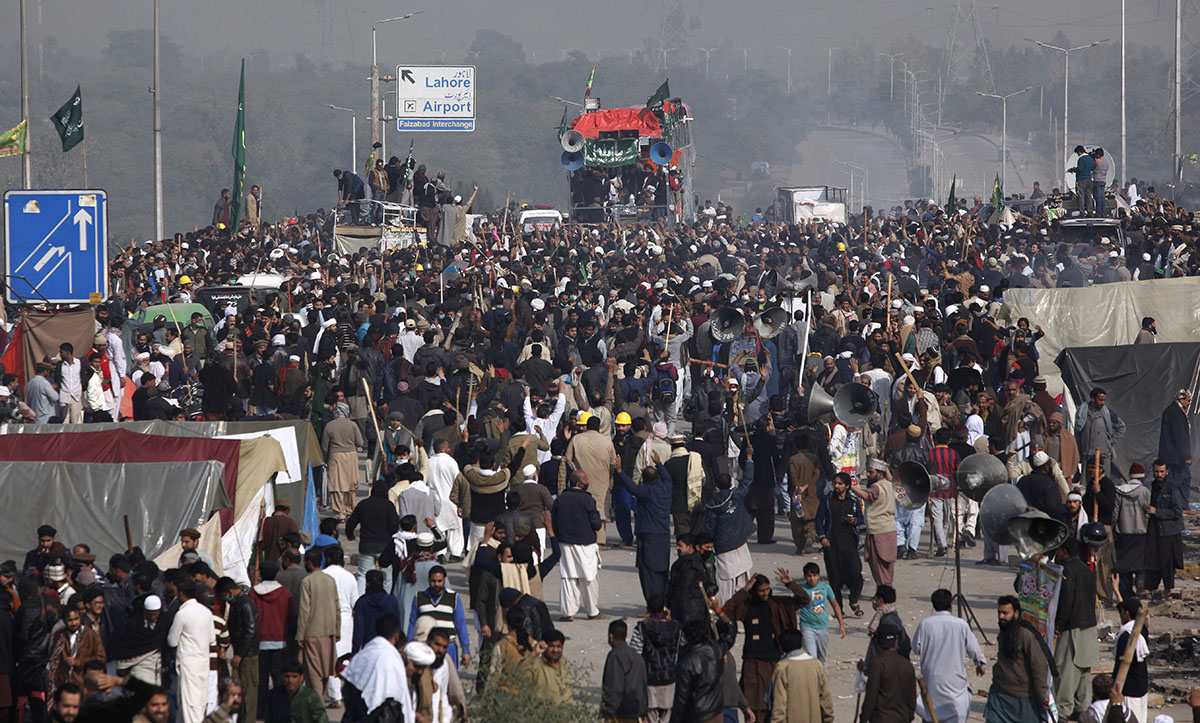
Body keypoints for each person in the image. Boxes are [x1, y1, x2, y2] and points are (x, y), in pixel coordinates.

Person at [723, 569, 811, 723]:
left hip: (774, 660)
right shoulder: (747, 607)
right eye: (761, 591)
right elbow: (727, 610)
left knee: (776, 705)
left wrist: (791, 584)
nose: (765, 593)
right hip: (753, 663)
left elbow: (804, 599)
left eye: (767, 589)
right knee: (754, 707)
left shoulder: (777, 604)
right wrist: (744, 590)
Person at [912, 588, 987, 722]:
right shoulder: (961, 624)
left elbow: (916, 648)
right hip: (955, 684)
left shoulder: (925, 624)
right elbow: (973, 647)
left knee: (931, 713)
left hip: (932, 682)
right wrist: (980, 663)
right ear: (950, 606)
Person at [1054, 538, 1101, 721]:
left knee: (1067, 670)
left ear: (1064, 551)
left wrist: (1059, 625)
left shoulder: (1067, 569)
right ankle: (1080, 708)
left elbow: (1066, 601)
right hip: (1088, 625)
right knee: (1082, 671)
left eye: (1058, 550)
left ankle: (1063, 710)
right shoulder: (1086, 569)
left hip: (1072, 627)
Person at [984, 595, 1051, 722]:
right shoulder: (1004, 632)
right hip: (1000, 694)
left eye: (1005, 613)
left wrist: (1042, 694)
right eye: (999, 612)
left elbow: (1038, 665)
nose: (1001, 616)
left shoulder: (1026, 635)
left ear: (1016, 613)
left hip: (1023, 699)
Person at [616, 458, 674, 604]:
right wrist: (659, 463)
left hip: (648, 534)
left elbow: (631, 487)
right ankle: (663, 603)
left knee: (648, 571)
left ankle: (652, 604)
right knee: (662, 570)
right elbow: (667, 477)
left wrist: (620, 471)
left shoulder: (646, 491)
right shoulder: (666, 487)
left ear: (644, 479)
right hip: (663, 534)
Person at [704, 448, 757, 605]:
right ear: (730, 484)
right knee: (743, 582)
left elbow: (710, 527)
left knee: (726, 585)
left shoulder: (713, 504)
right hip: (740, 544)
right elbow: (747, 479)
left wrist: (708, 543)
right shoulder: (737, 495)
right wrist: (749, 457)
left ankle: (727, 611)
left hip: (724, 547)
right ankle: (737, 611)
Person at [551, 470, 603, 621]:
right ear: (580, 483)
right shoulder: (588, 500)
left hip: (565, 543)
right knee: (589, 578)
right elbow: (596, 524)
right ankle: (592, 611)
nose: (588, 482)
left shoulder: (560, 499)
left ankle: (568, 612)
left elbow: (554, 522)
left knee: (568, 577)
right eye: (586, 479)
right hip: (586, 544)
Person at [341, 613, 413, 722]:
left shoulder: (362, 655)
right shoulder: (393, 659)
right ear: (397, 636)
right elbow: (399, 697)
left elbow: (349, 687)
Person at [816, 471, 865, 616]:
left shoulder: (854, 501)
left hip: (849, 543)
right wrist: (822, 537)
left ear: (847, 486)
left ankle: (854, 600)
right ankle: (839, 610)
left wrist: (854, 521)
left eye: (840, 483)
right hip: (831, 544)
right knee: (835, 578)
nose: (836, 486)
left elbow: (861, 519)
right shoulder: (827, 500)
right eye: (835, 483)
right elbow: (819, 519)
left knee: (856, 572)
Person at [166, 580, 215, 723]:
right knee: (199, 701)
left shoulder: (182, 614)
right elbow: (212, 639)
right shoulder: (206, 612)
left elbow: (172, 641)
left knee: (189, 703)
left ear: (182, 594)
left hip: (188, 664)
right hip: (203, 662)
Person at [671, 616, 737, 723]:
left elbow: (680, 699)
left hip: (696, 715)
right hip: (716, 712)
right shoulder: (716, 650)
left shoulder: (686, 662)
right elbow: (731, 632)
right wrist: (719, 612)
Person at [296, 549, 340, 704]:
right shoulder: (330, 580)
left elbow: (304, 610)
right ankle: (319, 701)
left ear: (309, 563)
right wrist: (337, 630)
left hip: (312, 632)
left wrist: (300, 634)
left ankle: (317, 705)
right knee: (325, 670)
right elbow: (337, 606)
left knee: (314, 672)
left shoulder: (307, 582)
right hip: (329, 631)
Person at [630, 594, 682, 723]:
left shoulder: (642, 627)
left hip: (649, 681)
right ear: (664, 608)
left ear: (648, 609)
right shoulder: (676, 627)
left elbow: (635, 654)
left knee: (649, 716)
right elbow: (682, 650)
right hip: (670, 680)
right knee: (667, 716)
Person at [215, 577, 260, 722]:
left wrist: (239, 655)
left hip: (247, 655)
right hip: (240, 654)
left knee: (248, 694)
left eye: (224, 595)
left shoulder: (245, 603)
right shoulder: (236, 603)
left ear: (229, 592)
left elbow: (250, 631)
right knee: (237, 691)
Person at [407, 566, 471, 668]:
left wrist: (465, 650)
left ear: (444, 580)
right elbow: (413, 624)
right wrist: (410, 647)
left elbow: (461, 624)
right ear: (428, 580)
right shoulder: (419, 597)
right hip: (426, 648)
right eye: (433, 581)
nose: (436, 584)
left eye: (439, 581)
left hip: (448, 648)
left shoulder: (453, 597)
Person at [345, 479, 400, 595]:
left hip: (366, 546)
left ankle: (361, 598)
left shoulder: (363, 504)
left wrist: (350, 535)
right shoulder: (388, 506)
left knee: (363, 575)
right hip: (385, 547)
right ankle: (385, 600)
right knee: (386, 576)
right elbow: (394, 526)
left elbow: (350, 523)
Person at [768, 628, 834, 723]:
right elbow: (826, 699)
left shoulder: (782, 668)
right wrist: (828, 719)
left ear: (782, 647)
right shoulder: (817, 665)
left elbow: (779, 705)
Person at [320, 547, 357, 708]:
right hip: (346, 620)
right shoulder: (350, 577)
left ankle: (335, 695)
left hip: (326, 618)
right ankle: (345, 691)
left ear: (328, 558)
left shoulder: (323, 575)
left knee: (330, 657)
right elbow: (354, 602)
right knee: (343, 657)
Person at [851, 459, 898, 586]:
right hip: (890, 529)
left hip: (878, 531)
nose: (868, 475)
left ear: (879, 473)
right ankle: (886, 589)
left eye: (871, 472)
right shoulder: (890, 484)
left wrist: (850, 486)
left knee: (879, 565)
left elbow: (866, 495)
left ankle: (884, 590)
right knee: (887, 565)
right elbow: (889, 477)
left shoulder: (877, 487)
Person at [859, 625, 916, 723]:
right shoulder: (907, 665)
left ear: (877, 642)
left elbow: (871, 697)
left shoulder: (878, 664)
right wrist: (909, 716)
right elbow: (912, 698)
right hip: (902, 718)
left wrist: (863, 719)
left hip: (881, 718)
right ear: (896, 641)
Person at [1144, 459, 1184, 598]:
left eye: (1161, 472)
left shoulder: (1172, 489)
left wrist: (1157, 511)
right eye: (1156, 471)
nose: (1159, 474)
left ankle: (1167, 589)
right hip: (1155, 528)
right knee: (1152, 558)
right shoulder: (1152, 486)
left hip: (1169, 531)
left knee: (1167, 562)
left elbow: (1177, 512)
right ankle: (1150, 587)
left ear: (1167, 472)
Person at [322, 402, 366, 519]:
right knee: (351, 485)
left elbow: (325, 446)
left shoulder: (329, 426)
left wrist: (326, 460)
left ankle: (340, 513)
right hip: (351, 456)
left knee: (335, 485)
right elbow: (360, 443)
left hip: (335, 456)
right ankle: (350, 509)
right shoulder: (353, 425)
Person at [797, 562, 845, 664]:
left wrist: (841, 624)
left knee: (822, 658)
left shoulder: (825, 588)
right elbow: (792, 606)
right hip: (807, 627)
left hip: (823, 627)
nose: (812, 579)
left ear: (819, 575)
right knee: (811, 658)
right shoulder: (801, 589)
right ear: (805, 577)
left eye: (815, 575)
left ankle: (820, 674)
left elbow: (835, 605)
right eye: (809, 576)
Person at [601, 619, 648, 723]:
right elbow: (643, 686)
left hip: (621, 714)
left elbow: (614, 687)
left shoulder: (614, 656)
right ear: (626, 635)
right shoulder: (637, 656)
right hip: (637, 713)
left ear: (611, 636)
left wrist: (608, 713)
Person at [1074, 387, 1126, 478]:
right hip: (1087, 453)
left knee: (1103, 479)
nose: (1102, 403)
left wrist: (1110, 441)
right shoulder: (1082, 413)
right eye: (1100, 400)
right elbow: (1078, 431)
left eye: (1104, 400)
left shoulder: (1107, 413)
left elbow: (1121, 426)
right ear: (1092, 399)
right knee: (1087, 480)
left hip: (1103, 453)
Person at [1112, 599, 1149, 723]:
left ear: (1127, 613)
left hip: (1129, 689)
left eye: (1122, 612)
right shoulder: (1142, 629)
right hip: (1141, 685)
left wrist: (1114, 686)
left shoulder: (1126, 636)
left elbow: (1120, 665)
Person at [1158, 390, 1192, 508]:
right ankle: (1179, 505)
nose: (1189, 403)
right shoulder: (1175, 413)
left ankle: (1178, 505)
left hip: (1173, 456)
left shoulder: (1173, 411)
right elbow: (1180, 436)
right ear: (1181, 400)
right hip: (1176, 457)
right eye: (1188, 400)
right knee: (1180, 481)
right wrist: (1186, 456)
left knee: (1178, 481)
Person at [523, 629, 572, 704]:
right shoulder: (536, 666)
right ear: (545, 646)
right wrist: (534, 653)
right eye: (552, 646)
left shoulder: (564, 664)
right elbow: (518, 674)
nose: (555, 650)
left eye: (558, 646)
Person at [1068, 145, 1096, 215]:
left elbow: (1080, 169)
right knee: (1088, 196)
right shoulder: (1090, 159)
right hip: (1089, 179)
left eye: (1078, 153)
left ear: (1080, 152)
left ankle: (1082, 211)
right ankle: (1090, 211)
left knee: (1081, 196)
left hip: (1081, 179)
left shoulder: (1081, 159)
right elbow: (1093, 168)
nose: (1078, 155)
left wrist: (1072, 169)